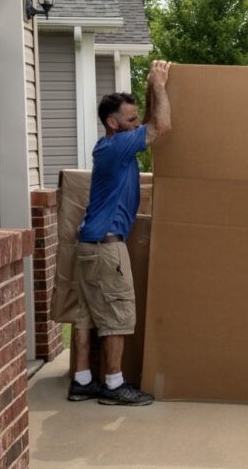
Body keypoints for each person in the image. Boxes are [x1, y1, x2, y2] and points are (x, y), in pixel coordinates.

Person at [68, 60, 172, 406]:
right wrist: (159, 86)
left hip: (89, 246)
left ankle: (82, 381)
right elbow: (162, 128)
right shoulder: (117, 147)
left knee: (87, 315)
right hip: (106, 248)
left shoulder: (114, 145)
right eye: (129, 120)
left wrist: (147, 87)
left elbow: (145, 124)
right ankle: (113, 385)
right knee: (117, 315)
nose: (135, 124)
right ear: (112, 124)